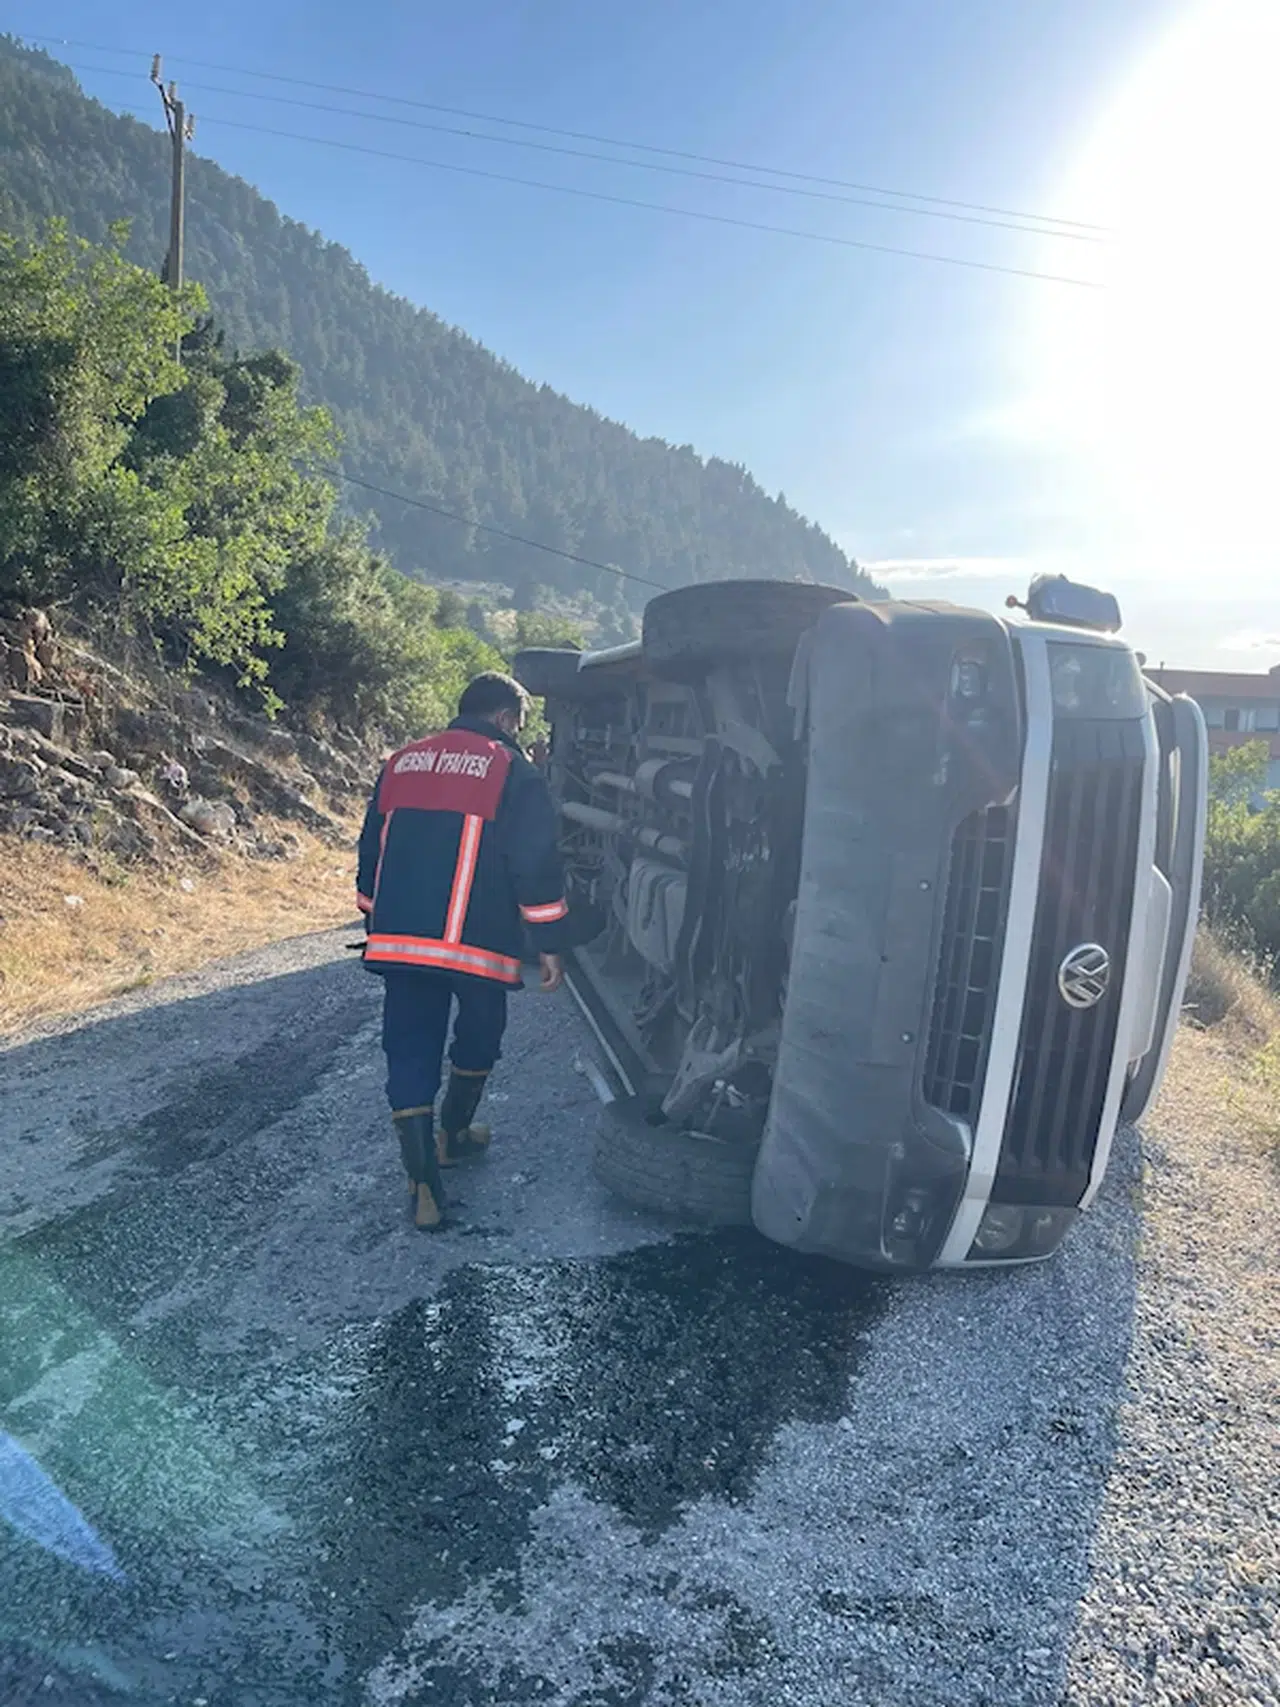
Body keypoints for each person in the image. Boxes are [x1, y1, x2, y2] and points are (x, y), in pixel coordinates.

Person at [356, 672, 568, 1230]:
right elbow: (535, 864)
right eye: (518, 727)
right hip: (477, 945)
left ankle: (423, 1180)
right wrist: (548, 941)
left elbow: (370, 848)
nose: (518, 737)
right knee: (479, 1035)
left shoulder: (400, 762)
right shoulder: (513, 772)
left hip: (401, 939)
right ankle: (455, 1135)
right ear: (504, 718)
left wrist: (376, 915)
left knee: (408, 1048)